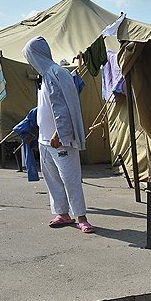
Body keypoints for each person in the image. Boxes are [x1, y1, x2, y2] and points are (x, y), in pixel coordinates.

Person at [22, 36, 95, 233]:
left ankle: (81, 217)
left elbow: (68, 106)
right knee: (53, 178)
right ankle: (62, 213)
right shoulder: (44, 77)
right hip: (44, 139)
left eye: (30, 57)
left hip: (60, 139)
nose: (30, 62)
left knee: (70, 178)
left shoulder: (59, 73)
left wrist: (60, 133)